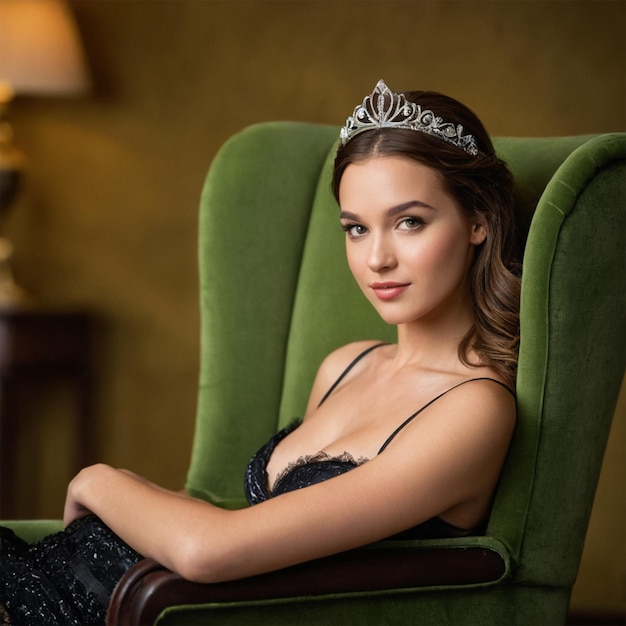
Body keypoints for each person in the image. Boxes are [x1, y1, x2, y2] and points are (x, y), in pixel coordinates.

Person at [0, 79, 520, 625]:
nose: (377, 259)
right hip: (58, 578)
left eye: (409, 221)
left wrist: (97, 480)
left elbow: (213, 549)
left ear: (477, 220)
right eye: (356, 229)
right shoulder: (347, 365)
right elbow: (244, 525)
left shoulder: (473, 410)